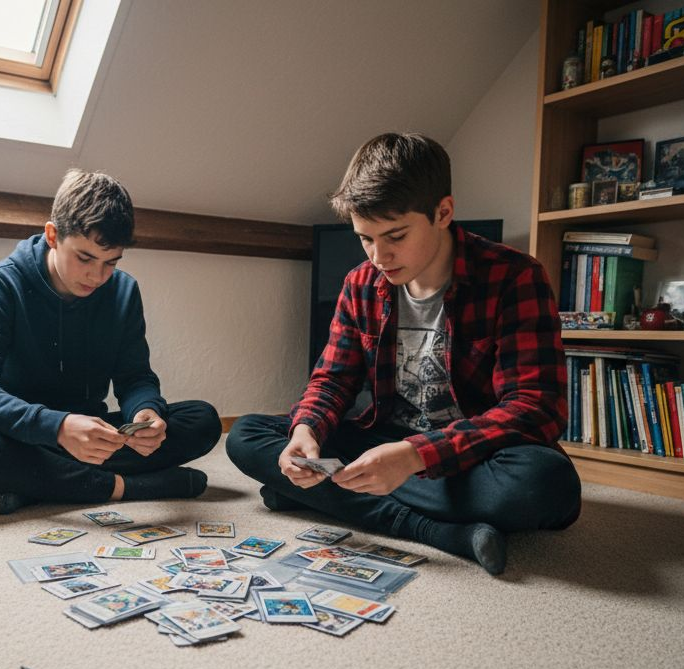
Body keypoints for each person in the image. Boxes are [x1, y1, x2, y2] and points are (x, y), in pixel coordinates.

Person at [226, 133, 581, 575]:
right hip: (384, 439)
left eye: (395, 236)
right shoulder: (360, 283)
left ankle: (315, 497)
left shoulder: (515, 277)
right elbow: (333, 379)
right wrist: (307, 430)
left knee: (545, 485)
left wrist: (416, 456)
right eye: (365, 239)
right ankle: (439, 532)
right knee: (247, 436)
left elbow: (536, 408)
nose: (379, 256)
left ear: (443, 212)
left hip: (475, 455)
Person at [0, 169, 220, 515]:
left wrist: (146, 411)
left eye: (111, 263)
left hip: (94, 435)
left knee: (203, 419)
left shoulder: (123, 291)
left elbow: (134, 376)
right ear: (53, 235)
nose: (97, 276)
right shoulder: (0, 284)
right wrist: (58, 428)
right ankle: (125, 487)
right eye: (85, 258)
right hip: (21, 435)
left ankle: (38, 483)